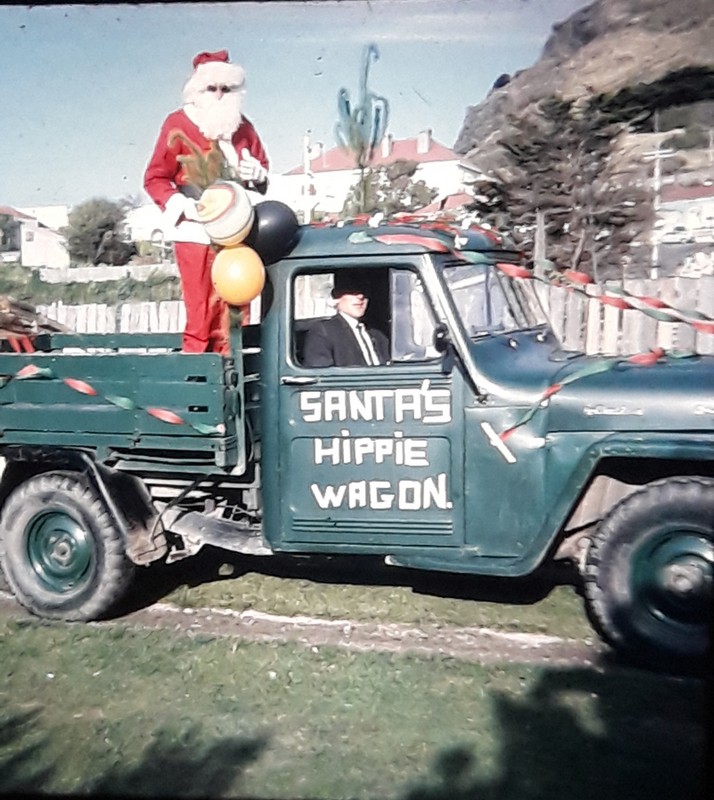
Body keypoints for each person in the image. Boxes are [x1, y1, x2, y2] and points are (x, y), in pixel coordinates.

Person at [144, 50, 269, 355]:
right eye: (212, 88)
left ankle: (235, 375)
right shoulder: (177, 124)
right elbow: (155, 178)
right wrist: (182, 205)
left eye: (227, 88)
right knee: (201, 316)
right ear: (197, 90)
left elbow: (263, 172)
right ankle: (199, 380)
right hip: (196, 232)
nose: (219, 95)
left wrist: (257, 174)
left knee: (237, 313)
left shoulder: (244, 127)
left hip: (238, 234)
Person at [302, 272, 389, 367]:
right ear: (337, 297)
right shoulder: (324, 330)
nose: (360, 296)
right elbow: (320, 371)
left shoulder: (378, 332)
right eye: (352, 291)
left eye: (365, 291)